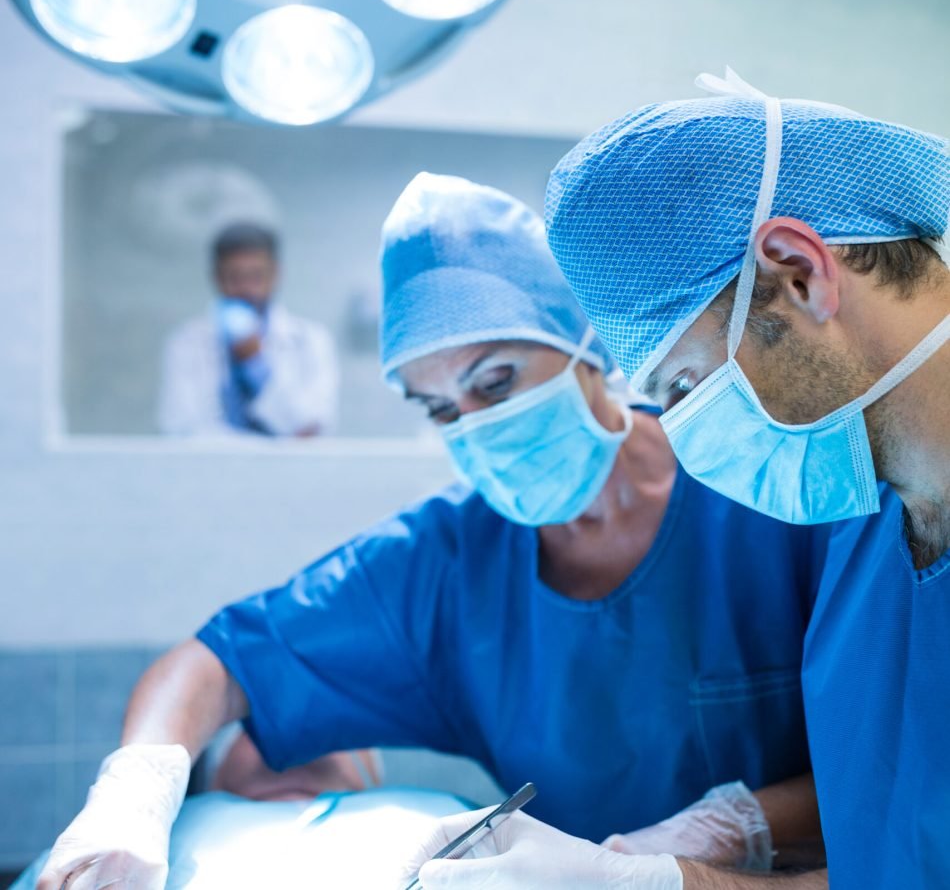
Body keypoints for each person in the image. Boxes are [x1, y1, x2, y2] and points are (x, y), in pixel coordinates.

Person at [38, 174, 826, 890]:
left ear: (585, 344)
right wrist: (132, 796)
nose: (475, 424)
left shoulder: (760, 483)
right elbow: (218, 661)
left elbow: (894, 747)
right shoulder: (444, 562)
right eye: (440, 407)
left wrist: (728, 831)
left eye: (495, 380)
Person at [407, 73, 949, 889]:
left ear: (798, 272)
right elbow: (893, 867)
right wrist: (665, 878)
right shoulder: (877, 532)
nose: (686, 439)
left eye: (687, 385)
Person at [158, 222, 339, 437]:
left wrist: (255, 364)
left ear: (275, 274)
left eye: (256, 276)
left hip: (272, 462)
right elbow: (181, 427)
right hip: (215, 460)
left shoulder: (311, 339)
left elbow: (311, 425)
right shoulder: (186, 342)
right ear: (216, 277)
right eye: (234, 277)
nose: (245, 288)